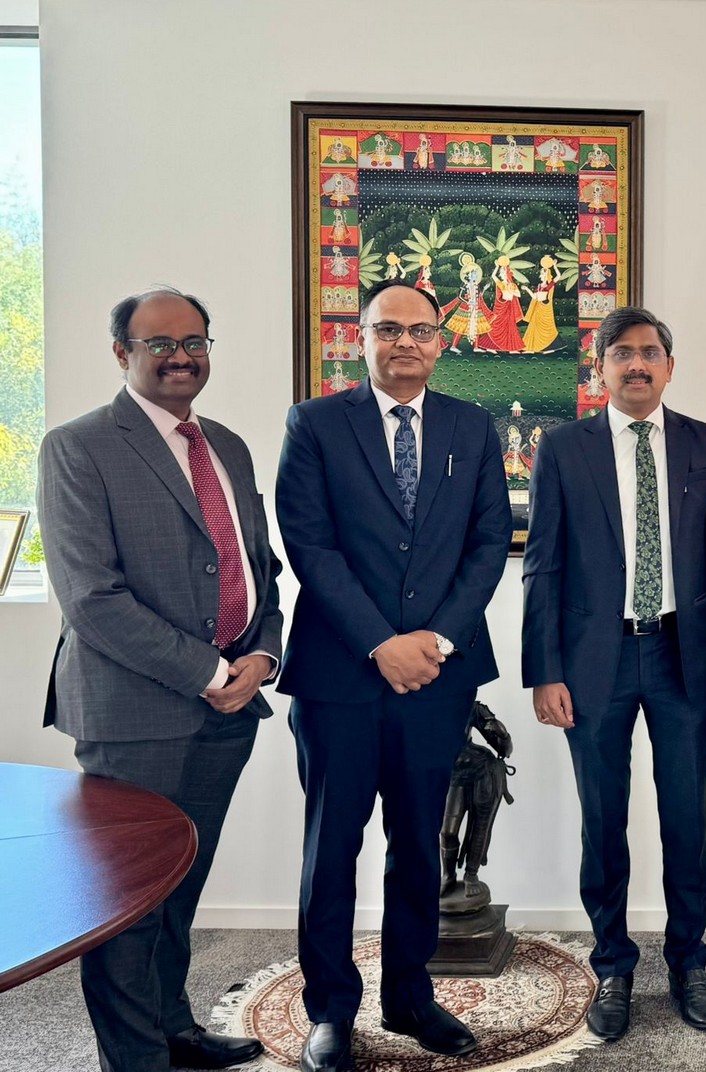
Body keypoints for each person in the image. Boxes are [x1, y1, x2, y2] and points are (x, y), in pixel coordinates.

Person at [38, 288, 283, 1072]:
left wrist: (263, 657)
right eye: (160, 344)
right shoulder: (78, 448)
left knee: (179, 888)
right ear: (122, 354)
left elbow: (259, 570)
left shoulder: (231, 447)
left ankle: (174, 1029)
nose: (181, 356)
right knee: (123, 907)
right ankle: (134, 1059)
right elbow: (91, 599)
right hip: (132, 712)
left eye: (195, 341)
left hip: (230, 707)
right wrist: (210, 670)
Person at [276, 282, 512, 1072]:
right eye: (388, 329)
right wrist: (382, 642)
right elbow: (310, 546)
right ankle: (331, 1012)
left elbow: (488, 546)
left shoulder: (472, 427)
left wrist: (436, 639)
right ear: (362, 337)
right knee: (330, 847)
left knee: (419, 844)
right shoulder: (314, 423)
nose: (405, 342)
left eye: (420, 330)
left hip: (439, 679)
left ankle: (410, 998)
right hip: (341, 675)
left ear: (442, 341)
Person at [522, 306, 706, 1042]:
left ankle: (690, 962)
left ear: (670, 367)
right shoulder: (562, 448)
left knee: (686, 817)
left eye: (651, 353)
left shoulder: (703, 445)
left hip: (684, 655)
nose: (637, 364)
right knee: (603, 819)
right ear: (600, 368)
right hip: (596, 661)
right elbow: (543, 565)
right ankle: (614, 964)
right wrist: (543, 671)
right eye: (622, 353)